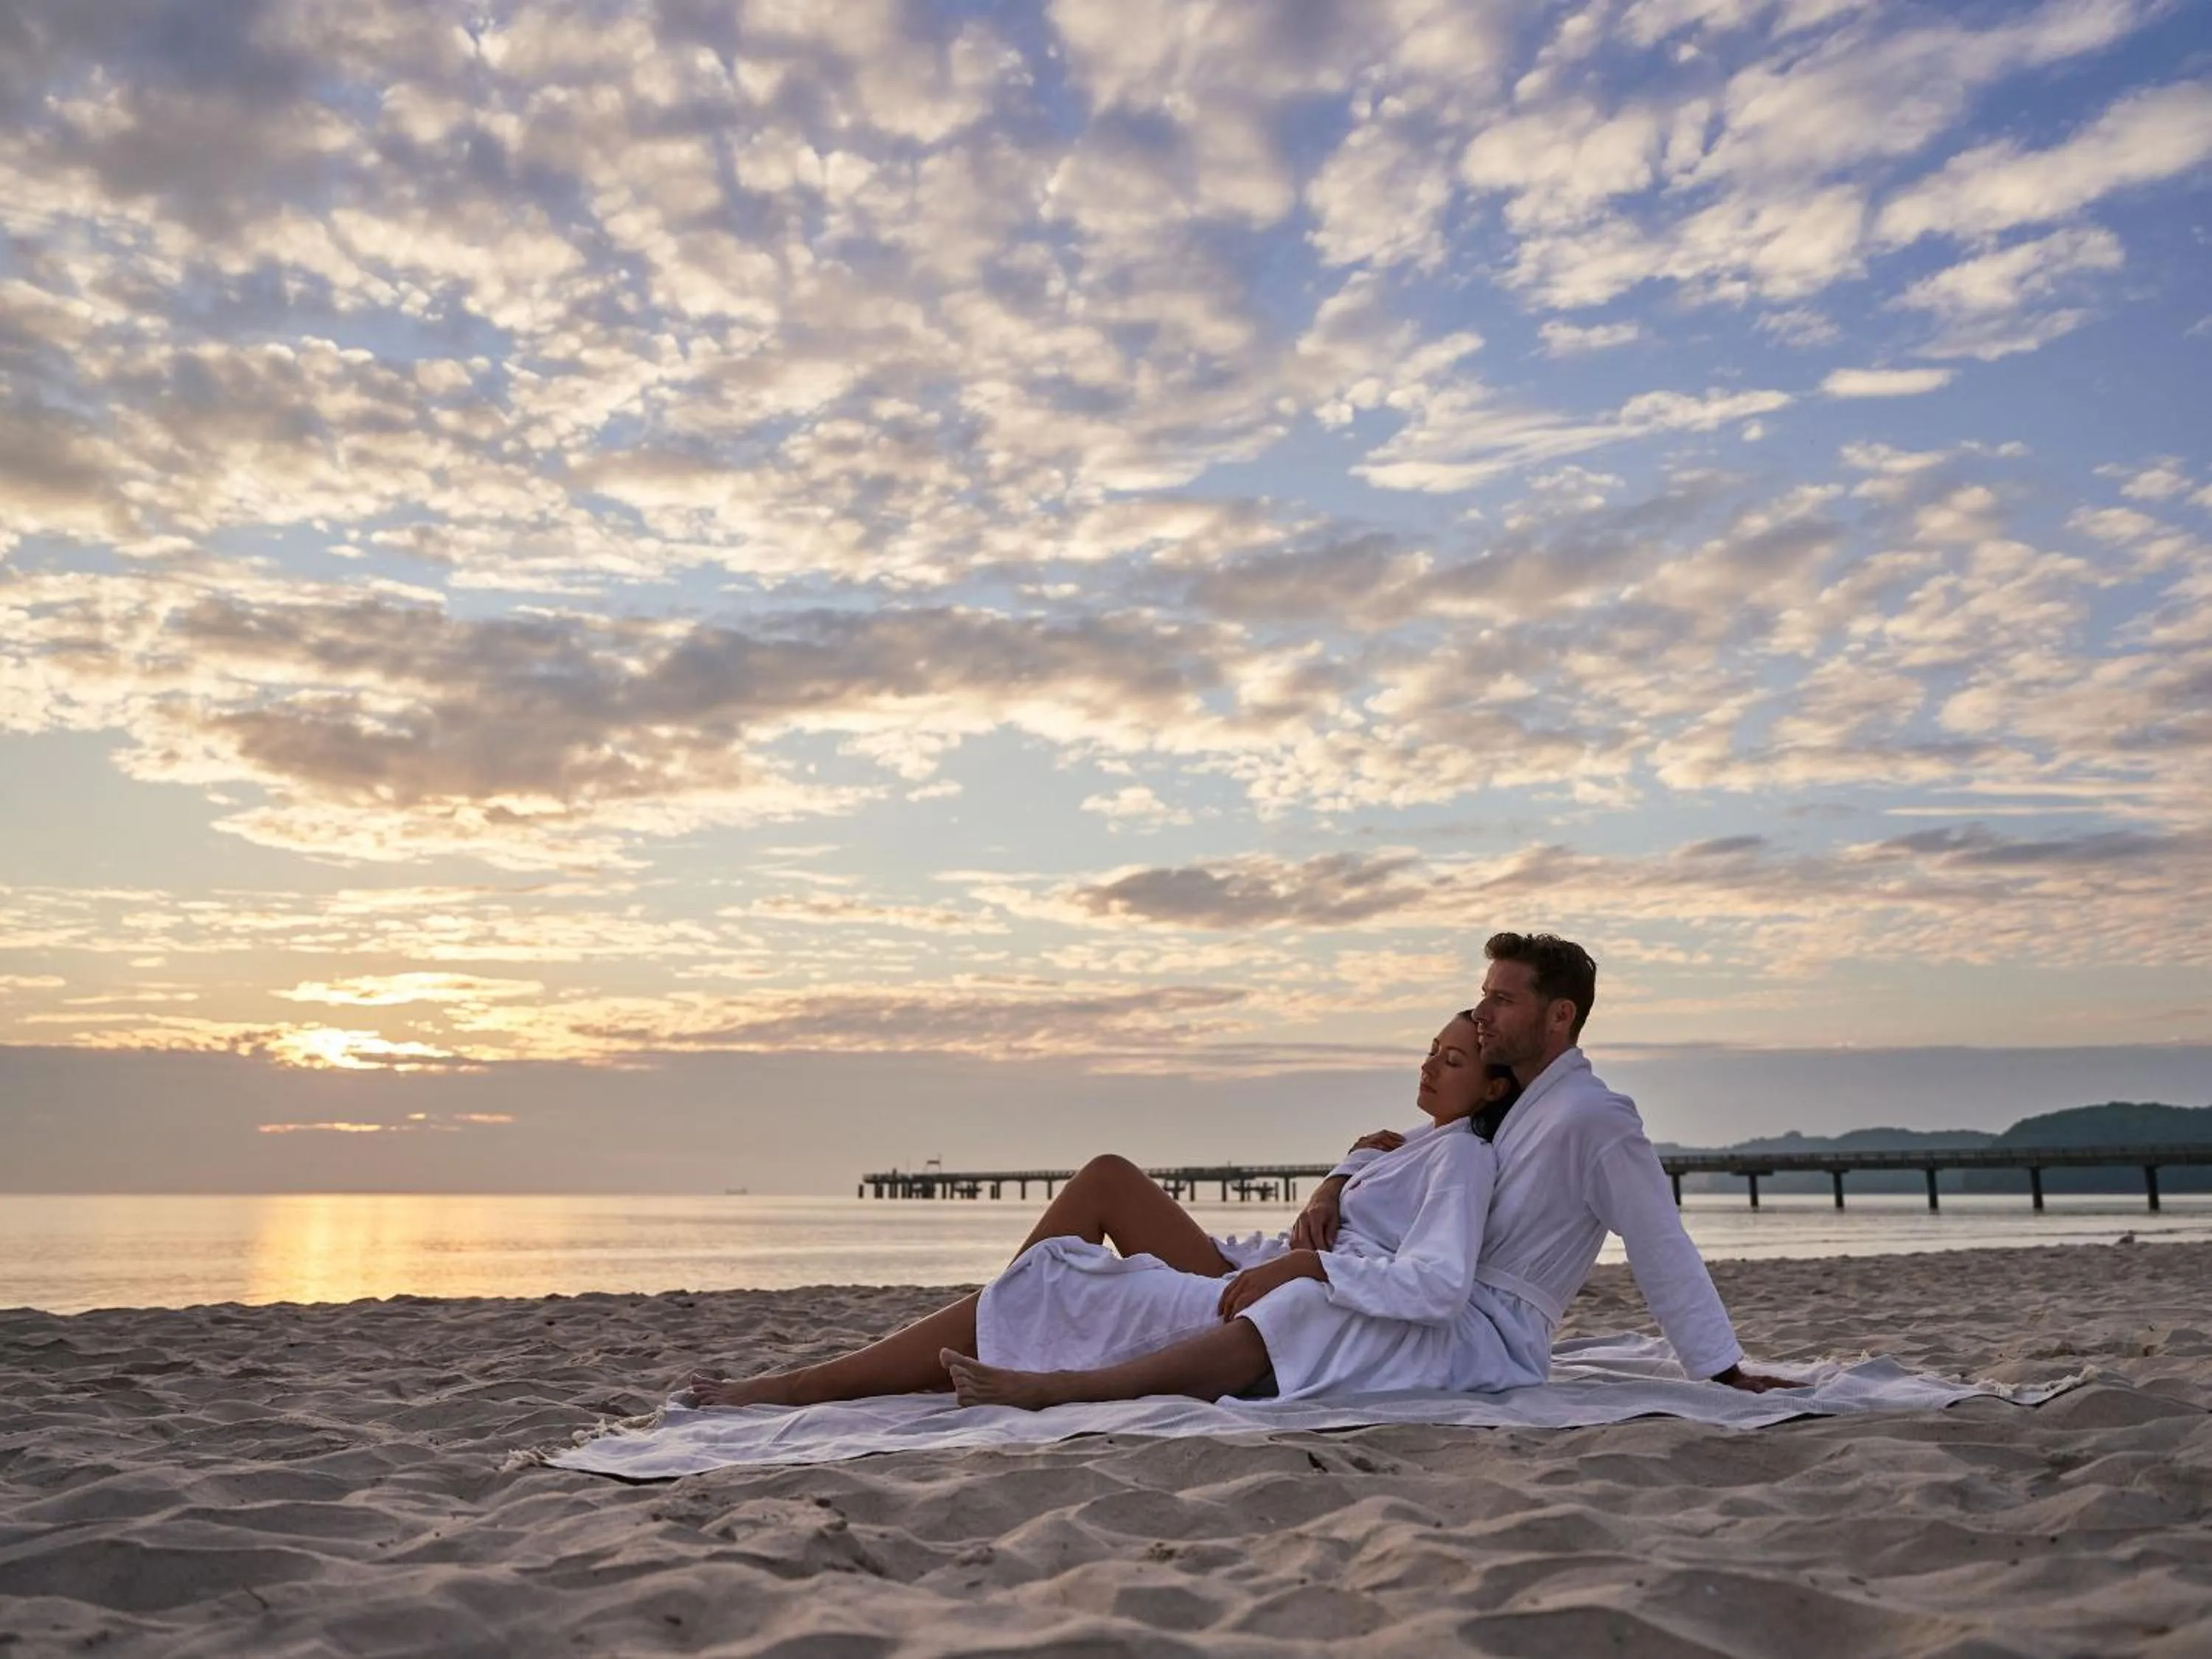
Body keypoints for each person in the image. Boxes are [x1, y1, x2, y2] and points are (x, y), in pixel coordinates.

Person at [936, 931, 1795, 1407]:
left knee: (1302, 1303)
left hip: (1479, 1324)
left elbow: (1659, 1240)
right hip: (1417, 1283)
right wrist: (1339, 1180)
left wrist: (1716, 1369)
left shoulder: (1594, 1118)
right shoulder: (1504, 1110)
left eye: (1502, 1000)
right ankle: (1027, 1326)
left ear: (1559, 1016)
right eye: (1483, 996)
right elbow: (1398, 1147)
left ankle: (1062, 1385)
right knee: (1246, 1269)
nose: (1484, 1015)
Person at [685, 1010, 1519, 1411]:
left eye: (1453, 1061)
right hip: (1246, 1260)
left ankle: (801, 1385)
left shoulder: (1467, 1157)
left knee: (1050, 1280)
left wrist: (1307, 1261)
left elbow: (1434, 1276)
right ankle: (999, 1321)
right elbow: (1361, 1160)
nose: (1431, 1067)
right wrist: (1335, 1184)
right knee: (1107, 1177)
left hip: (1293, 1286)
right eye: (1430, 1050)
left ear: (1493, 1088)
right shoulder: (1412, 1140)